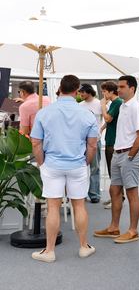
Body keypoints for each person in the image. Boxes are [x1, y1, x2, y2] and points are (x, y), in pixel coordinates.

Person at [30, 75, 98, 263]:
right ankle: (84, 247)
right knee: (79, 205)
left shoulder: (44, 112)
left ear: (59, 88)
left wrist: (42, 162)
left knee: (53, 206)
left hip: (52, 165)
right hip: (77, 165)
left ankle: (49, 251)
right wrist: (86, 162)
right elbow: (92, 145)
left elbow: (36, 142)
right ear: (77, 91)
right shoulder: (87, 114)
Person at [94, 75, 139, 244]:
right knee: (114, 191)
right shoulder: (123, 106)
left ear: (132, 88)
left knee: (132, 193)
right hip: (118, 153)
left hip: (128, 154)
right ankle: (114, 227)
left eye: (122, 86)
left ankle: (133, 231)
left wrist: (130, 155)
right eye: (118, 86)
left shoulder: (135, 107)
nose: (118, 89)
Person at [99, 81, 123, 209]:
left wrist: (103, 106)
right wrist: (102, 127)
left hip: (113, 141)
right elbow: (110, 121)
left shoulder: (117, 102)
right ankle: (118, 197)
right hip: (112, 139)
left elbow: (108, 118)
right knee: (113, 172)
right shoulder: (116, 103)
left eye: (104, 91)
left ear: (111, 91)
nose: (103, 94)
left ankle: (117, 199)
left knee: (113, 172)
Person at [79, 84, 103, 204]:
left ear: (89, 92)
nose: (81, 94)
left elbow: (108, 119)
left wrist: (101, 130)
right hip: (81, 141)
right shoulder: (79, 106)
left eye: (82, 92)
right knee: (80, 168)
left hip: (95, 140)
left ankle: (94, 194)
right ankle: (80, 194)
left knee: (95, 168)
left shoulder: (99, 104)